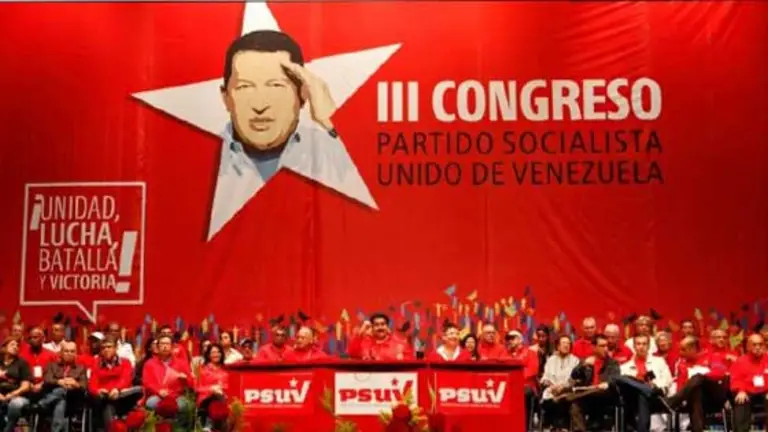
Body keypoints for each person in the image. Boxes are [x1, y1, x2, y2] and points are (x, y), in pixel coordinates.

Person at [209, 29, 372, 239]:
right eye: (245, 87)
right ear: (226, 98)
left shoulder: (333, 154)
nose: (260, 105)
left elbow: (393, 201)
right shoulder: (199, 157)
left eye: (276, 86)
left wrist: (331, 119)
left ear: (303, 94)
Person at [666, 336, 729, 432]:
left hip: (715, 395)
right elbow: (681, 384)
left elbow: (720, 374)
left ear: (693, 349)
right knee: (696, 391)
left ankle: (672, 402)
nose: (680, 353)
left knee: (698, 377)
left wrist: (703, 375)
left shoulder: (711, 356)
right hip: (696, 399)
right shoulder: (682, 364)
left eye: (683, 349)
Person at [616, 334, 673, 432]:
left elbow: (668, 380)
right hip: (632, 400)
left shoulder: (659, 362)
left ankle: (646, 389)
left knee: (642, 394)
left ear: (649, 346)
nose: (641, 347)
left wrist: (655, 385)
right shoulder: (625, 367)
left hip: (655, 398)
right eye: (638, 344)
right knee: (621, 379)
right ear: (634, 346)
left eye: (644, 344)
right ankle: (645, 389)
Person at [569, 334, 620, 432]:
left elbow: (615, 379)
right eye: (602, 346)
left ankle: (572, 396)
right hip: (588, 398)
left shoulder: (612, 363)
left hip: (605, 398)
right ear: (594, 347)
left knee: (594, 392)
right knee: (575, 405)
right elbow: (574, 376)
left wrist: (607, 383)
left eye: (607, 346)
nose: (606, 349)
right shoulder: (587, 361)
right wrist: (583, 365)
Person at [37, 341, 87, 432]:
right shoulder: (52, 365)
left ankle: (44, 402)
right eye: (66, 351)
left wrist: (75, 384)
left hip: (72, 400)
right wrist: (59, 382)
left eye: (72, 351)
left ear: (76, 354)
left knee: (63, 392)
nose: (69, 353)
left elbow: (84, 386)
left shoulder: (81, 368)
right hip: (56, 400)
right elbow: (47, 379)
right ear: (61, 353)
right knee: (61, 401)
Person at [142, 335, 193, 417]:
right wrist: (158, 391)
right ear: (157, 347)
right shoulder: (149, 363)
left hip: (176, 396)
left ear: (172, 347)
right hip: (157, 395)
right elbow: (147, 383)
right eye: (162, 344)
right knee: (151, 403)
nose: (165, 346)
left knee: (183, 405)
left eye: (167, 344)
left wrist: (185, 379)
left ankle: (176, 423)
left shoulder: (181, 363)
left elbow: (191, 383)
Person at [540, 335, 580, 431]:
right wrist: (551, 385)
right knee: (548, 401)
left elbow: (575, 380)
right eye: (563, 343)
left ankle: (562, 427)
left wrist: (563, 387)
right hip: (552, 390)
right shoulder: (551, 360)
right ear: (557, 346)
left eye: (568, 343)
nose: (566, 345)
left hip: (567, 390)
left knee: (562, 400)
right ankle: (551, 426)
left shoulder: (575, 360)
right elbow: (545, 377)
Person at [729, 333, 768, 432]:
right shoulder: (740, 361)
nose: (758, 347)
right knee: (741, 400)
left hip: (765, 390)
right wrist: (741, 390)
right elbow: (736, 379)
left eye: (760, 344)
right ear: (748, 346)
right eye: (754, 345)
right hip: (747, 390)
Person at [348, 313, 413, 361]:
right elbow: (352, 354)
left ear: (387, 327)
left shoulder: (399, 345)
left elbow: (410, 362)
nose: (380, 327)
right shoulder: (365, 343)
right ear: (372, 328)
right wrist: (361, 332)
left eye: (383, 324)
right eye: (376, 325)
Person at [19, 326, 58, 404]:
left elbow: (56, 374)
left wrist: (42, 384)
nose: (32, 340)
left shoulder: (52, 355)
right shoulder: (22, 355)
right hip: (27, 390)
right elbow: (19, 374)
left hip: (46, 389)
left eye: (35, 337)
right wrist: (29, 384)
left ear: (42, 338)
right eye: (30, 338)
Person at [0, 338, 32, 432]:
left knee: (15, 404)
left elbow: (26, 386)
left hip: (18, 396)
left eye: (17, 346)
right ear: (4, 348)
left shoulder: (22, 363)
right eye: (12, 345)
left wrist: (12, 394)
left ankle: (8, 429)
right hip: (1, 395)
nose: (15, 347)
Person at [196, 343, 229, 431]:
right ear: (208, 355)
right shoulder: (202, 369)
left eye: (218, 352)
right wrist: (211, 389)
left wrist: (221, 388)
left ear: (222, 354)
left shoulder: (227, 369)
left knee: (220, 399)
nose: (216, 354)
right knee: (218, 398)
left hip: (224, 397)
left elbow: (230, 385)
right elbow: (197, 387)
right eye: (213, 352)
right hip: (206, 399)